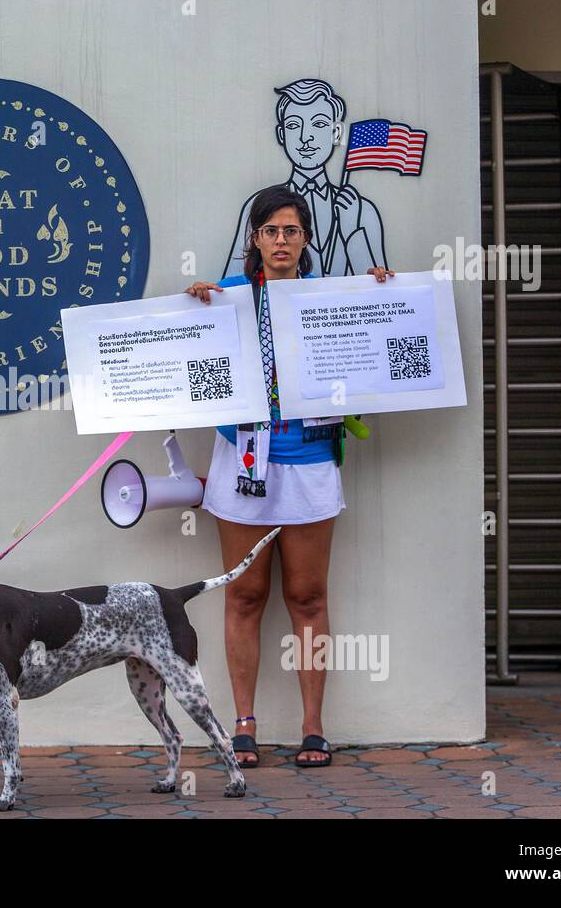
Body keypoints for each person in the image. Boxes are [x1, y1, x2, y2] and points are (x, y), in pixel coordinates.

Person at [186, 185, 392, 767]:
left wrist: (385, 294)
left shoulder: (330, 297)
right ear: (255, 239)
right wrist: (191, 306)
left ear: (306, 239)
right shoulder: (225, 297)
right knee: (246, 594)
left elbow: (379, 340)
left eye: (292, 231)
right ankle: (244, 724)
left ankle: (312, 727)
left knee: (307, 596)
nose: (281, 240)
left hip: (308, 461)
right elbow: (183, 357)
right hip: (243, 460)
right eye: (271, 230)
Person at [222, 79, 388, 280]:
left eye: (318, 124)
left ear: (336, 133)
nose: (305, 136)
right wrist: (205, 295)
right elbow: (232, 292)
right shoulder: (258, 205)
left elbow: (375, 296)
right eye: (294, 125)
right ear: (281, 134)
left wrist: (353, 234)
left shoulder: (360, 210)